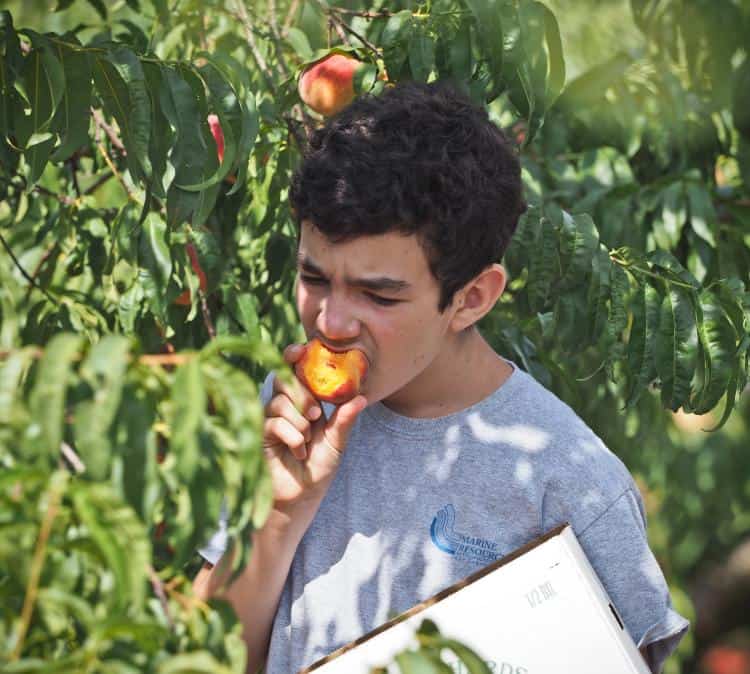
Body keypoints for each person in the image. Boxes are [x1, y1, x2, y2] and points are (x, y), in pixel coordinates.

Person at [193, 80, 689, 674]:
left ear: (472, 298)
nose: (331, 320)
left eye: (378, 294)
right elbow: (204, 660)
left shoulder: (568, 480)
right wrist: (276, 515)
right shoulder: (290, 415)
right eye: (315, 278)